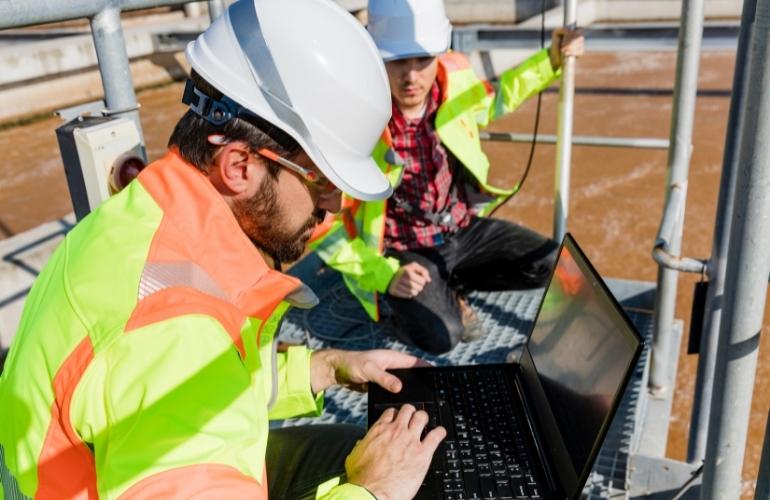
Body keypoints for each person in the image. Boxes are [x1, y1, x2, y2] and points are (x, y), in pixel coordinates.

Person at [0, 1, 445, 499]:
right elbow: (178, 362)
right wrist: (374, 491)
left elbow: (196, 380)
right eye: (320, 179)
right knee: (406, 475)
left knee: (400, 453)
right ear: (238, 166)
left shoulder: (148, 217)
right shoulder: (172, 330)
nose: (334, 205)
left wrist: (321, 369)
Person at [310, 0, 584, 354]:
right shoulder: (352, 120)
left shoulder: (455, 79)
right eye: (397, 61)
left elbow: (496, 99)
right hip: (402, 252)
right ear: (375, 59)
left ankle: (450, 286)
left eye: (422, 60)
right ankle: (406, 306)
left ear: (439, 54)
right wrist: (386, 276)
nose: (411, 76)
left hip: (461, 230)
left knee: (551, 263)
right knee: (442, 337)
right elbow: (322, 228)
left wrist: (552, 61)